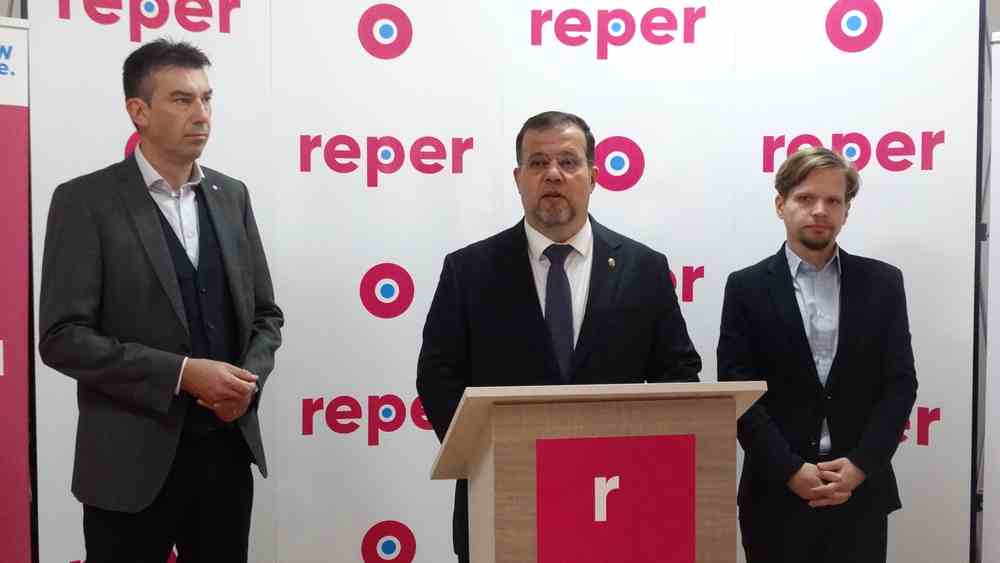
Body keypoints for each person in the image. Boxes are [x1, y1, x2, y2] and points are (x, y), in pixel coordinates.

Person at [416, 110, 702, 563]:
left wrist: (647, 461)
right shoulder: (468, 271)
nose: (553, 174)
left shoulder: (644, 268)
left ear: (594, 176)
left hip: (619, 500)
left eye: (568, 162)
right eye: (537, 163)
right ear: (518, 179)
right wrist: (483, 458)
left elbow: (678, 375)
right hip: (503, 499)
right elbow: (438, 376)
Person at [39, 39, 283, 563]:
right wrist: (183, 374)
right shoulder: (85, 202)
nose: (202, 114)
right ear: (139, 111)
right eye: (181, 99)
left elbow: (266, 316)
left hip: (225, 457)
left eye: (207, 99)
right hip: (127, 467)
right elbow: (62, 338)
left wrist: (247, 384)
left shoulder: (232, 196)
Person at [717, 146, 917, 563]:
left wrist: (860, 466)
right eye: (806, 198)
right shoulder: (745, 288)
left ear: (847, 210)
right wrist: (790, 470)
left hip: (859, 494)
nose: (820, 210)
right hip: (775, 494)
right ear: (781, 204)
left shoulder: (883, 283)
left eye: (833, 200)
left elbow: (900, 384)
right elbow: (739, 394)